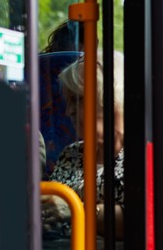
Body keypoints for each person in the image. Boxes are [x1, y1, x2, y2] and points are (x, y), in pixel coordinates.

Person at [42, 52, 125, 240]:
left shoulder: (144, 156)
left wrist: (75, 209)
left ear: (110, 99)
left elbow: (141, 220)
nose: (68, 110)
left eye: (78, 99)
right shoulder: (72, 153)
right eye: (68, 101)